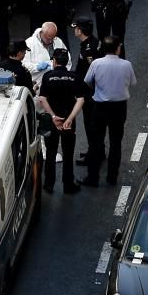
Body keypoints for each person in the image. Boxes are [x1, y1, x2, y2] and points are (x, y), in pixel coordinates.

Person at [81, 36, 136, 187]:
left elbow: (87, 80)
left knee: (96, 142)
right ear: (118, 48)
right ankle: (112, 177)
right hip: (119, 108)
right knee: (116, 143)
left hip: (100, 107)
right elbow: (132, 82)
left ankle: (93, 178)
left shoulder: (97, 63)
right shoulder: (126, 64)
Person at [38, 48, 85, 194]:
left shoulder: (47, 76)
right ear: (66, 62)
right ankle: (68, 184)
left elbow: (42, 98)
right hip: (68, 122)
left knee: (51, 153)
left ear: (54, 61)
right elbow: (81, 99)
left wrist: (53, 116)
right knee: (68, 152)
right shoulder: (74, 76)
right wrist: (70, 118)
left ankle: (49, 184)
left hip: (52, 121)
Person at [72, 17, 104, 169]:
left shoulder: (88, 50)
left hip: (90, 93)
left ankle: (94, 154)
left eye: (76, 27)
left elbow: (91, 73)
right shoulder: (92, 42)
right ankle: (98, 151)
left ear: (81, 30)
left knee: (91, 124)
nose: (75, 30)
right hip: (94, 91)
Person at [23, 21, 69, 89]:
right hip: (38, 86)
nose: (51, 41)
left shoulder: (58, 41)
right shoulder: (29, 43)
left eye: (53, 38)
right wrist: (36, 67)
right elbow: (23, 64)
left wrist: (59, 71)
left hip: (58, 84)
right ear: (42, 33)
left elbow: (68, 60)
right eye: (48, 39)